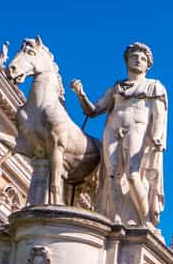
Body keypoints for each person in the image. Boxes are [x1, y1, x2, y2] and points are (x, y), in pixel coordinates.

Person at [70, 42, 167, 227]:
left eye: (143, 59)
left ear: (148, 65)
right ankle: (114, 219)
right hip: (112, 130)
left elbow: (159, 115)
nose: (138, 60)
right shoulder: (116, 88)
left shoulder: (154, 87)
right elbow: (93, 111)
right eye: (134, 57)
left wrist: (157, 136)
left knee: (132, 174)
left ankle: (146, 221)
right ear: (127, 60)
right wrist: (80, 94)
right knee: (112, 175)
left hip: (137, 129)